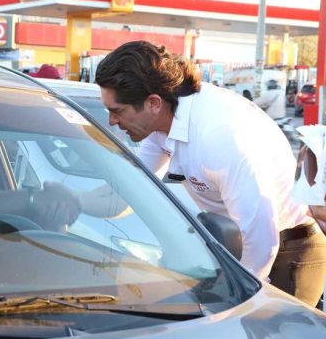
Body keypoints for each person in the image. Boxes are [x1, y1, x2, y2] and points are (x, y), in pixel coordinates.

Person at [94, 40, 326, 307]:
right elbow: (128, 188)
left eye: (116, 111)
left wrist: (240, 301)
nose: (112, 121)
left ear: (153, 103)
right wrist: (72, 203)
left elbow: (261, 238)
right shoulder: (164, 121)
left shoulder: (219, 135)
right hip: (235, 245)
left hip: (288, 249)